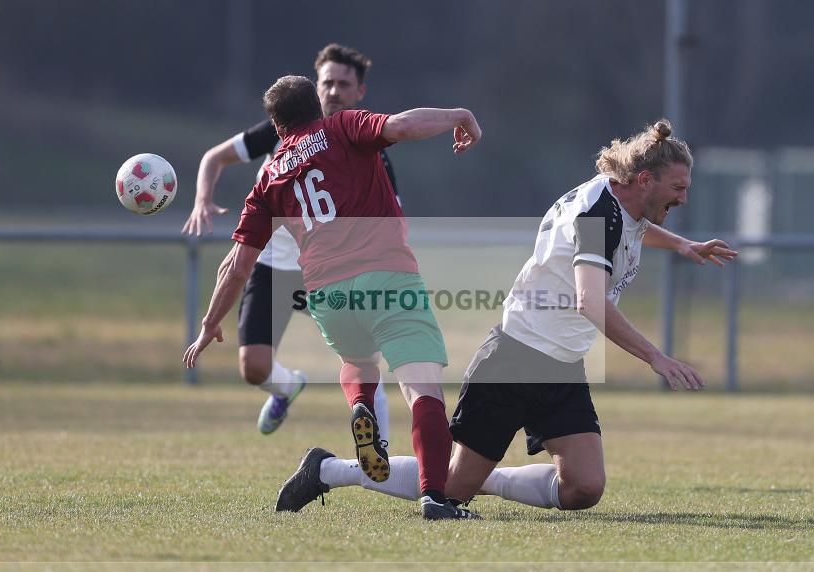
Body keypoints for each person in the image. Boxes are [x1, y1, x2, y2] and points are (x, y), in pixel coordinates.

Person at [273, 119, 737, 516]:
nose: (683, 199)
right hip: (516, 358)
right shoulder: (599, 215)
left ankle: (481, 478)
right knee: (452, 487)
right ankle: (327, 470)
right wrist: (656, 357)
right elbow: (590, 301)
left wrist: (682, 245)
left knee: (584, 489)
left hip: (561, 365)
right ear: (643, 180)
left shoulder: (619, 201)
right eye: (678, 188)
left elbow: (635, 229)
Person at [183, 74, 483, 520]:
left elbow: (237, 264)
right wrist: (459, 115)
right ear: (315, 107)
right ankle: (435, 499)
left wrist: (209, 323)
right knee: (423, 389)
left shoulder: (268, 177)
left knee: (360, 362)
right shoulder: (341, 127)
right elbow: (401, 126)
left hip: (327, 296)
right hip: (387, 278)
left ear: (277, 126)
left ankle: (361, 402)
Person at [182, 43, 397, 440]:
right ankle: (288, 387)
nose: (333, 91)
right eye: (326, 82)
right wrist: (202, 200)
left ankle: (376, 447)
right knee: (254, 368)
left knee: (362, 356)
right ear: (315, 87)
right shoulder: (281, 129)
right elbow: (214, 158)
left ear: (359, 92)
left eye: (343, 84)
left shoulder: (364, 143)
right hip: (273, 268)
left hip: (330, 270)